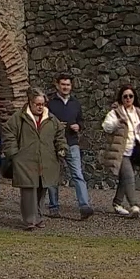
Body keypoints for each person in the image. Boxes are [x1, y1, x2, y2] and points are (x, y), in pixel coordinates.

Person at [2, 87, 68, 231]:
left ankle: (38, 216)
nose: (40, 107)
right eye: (37, 104)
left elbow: (59, 135)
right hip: (25, 160)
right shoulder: (18, 118)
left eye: (42, 104)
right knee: (28, 190)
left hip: (46, 159)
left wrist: (62, 148)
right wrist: (13, 153)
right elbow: (9, 133)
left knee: (41, 189)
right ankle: (30, 220)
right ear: (30, 102)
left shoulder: (51, 119)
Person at [101, 84, 140, 218]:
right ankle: (134, 205)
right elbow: (106, 126)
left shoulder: (138, 112)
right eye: (125, 96)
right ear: (121, 98)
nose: (128, 99)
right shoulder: (115, 113)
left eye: (131, 96)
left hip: (135, 151)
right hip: (121, 151)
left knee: (125, 179)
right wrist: (117, 122)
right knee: (129, 177)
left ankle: (117, 203)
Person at [45, 73, 94, 220]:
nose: (66, 87)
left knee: (78, 175)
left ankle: (84, 206)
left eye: (68, 85)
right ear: (57, 85)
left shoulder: (75, 104)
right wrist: (56, 126)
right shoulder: (50, 104)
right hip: (53, 144)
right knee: (53, 176)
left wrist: (78, 126)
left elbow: (81, 121)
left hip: (72, 143)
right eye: (63, 84)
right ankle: (54, 206)